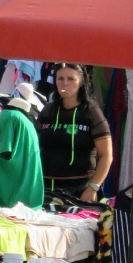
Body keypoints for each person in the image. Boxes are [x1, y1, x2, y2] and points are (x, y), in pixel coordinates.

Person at [37, 64, 112, 201]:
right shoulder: (48, 111)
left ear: (81, 82)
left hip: (80, 190)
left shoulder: (92, 113)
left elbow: (106, 155)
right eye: (60, 78)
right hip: (44, 189)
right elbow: (32, 148)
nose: (65, 83)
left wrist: (93, 188)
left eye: (71, 79)